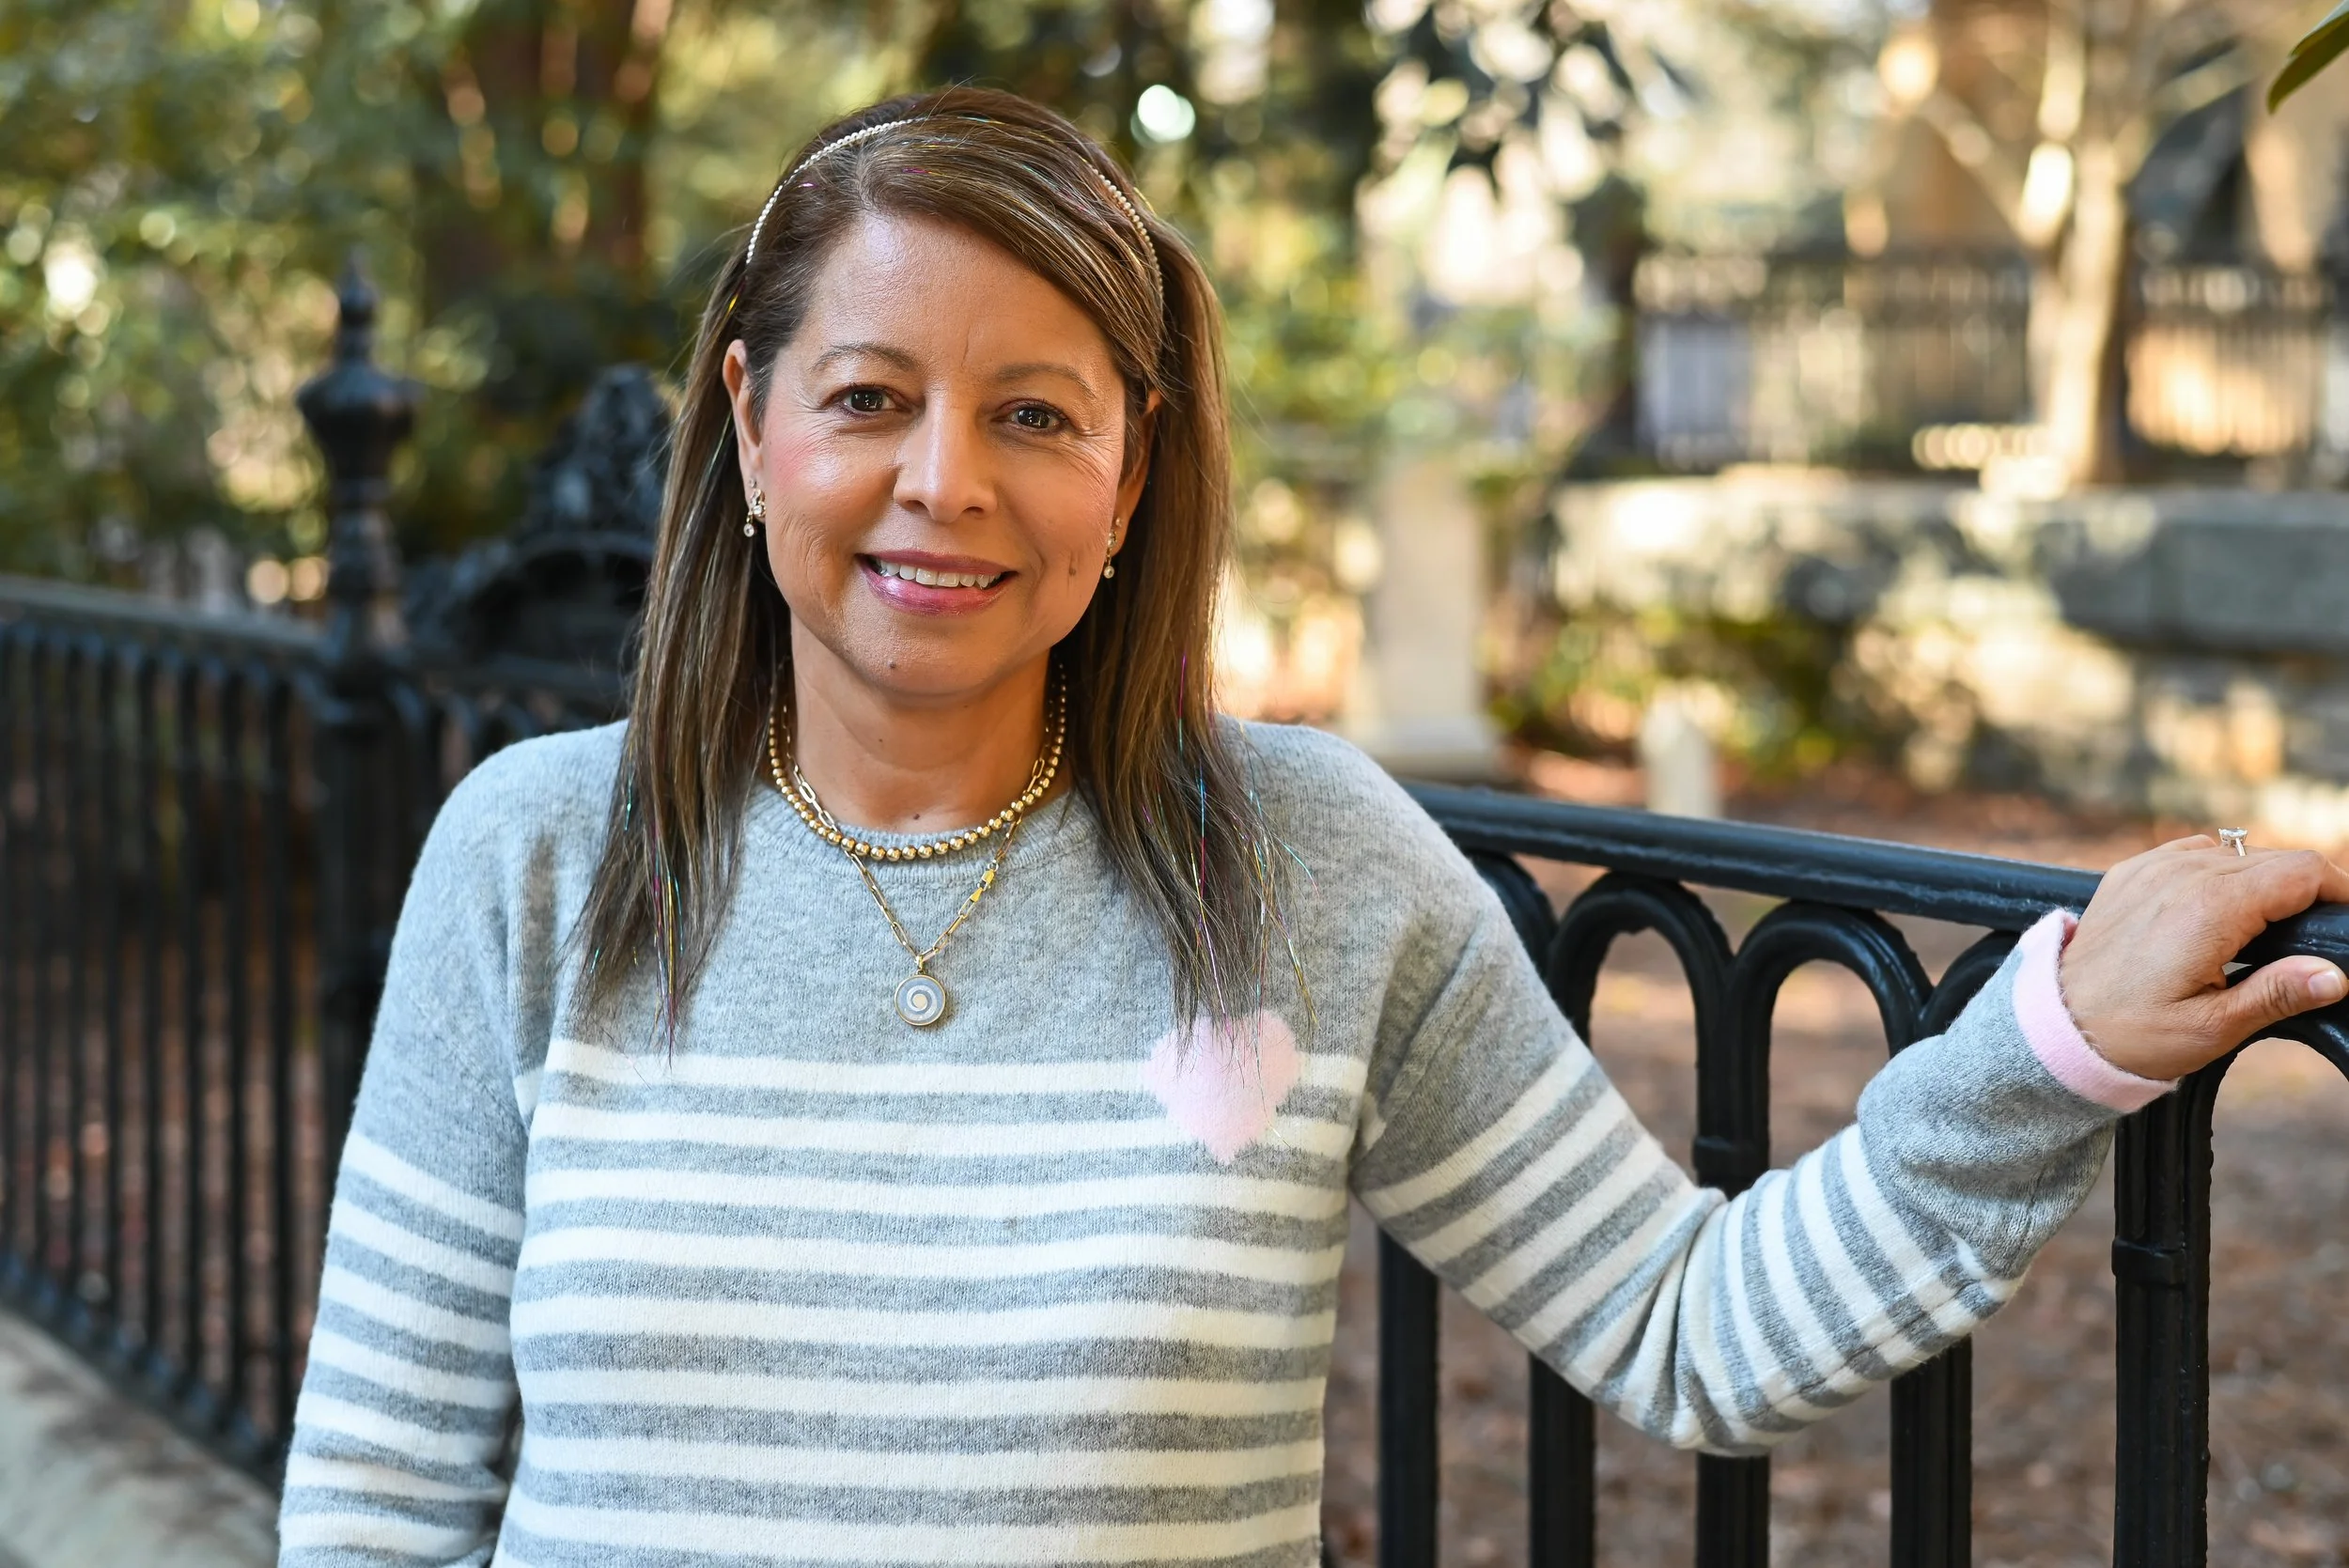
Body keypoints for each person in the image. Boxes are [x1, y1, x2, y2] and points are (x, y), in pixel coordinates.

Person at [274, 88, 2349, 1568]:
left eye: (1032, 413)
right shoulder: (537, 857)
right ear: (746, 425)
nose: (943, 483)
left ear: (1128, 471)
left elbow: (1684, 1328)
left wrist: (2045, 1045)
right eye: (866, 397)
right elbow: (373, 1501)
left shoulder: (1301, 863)